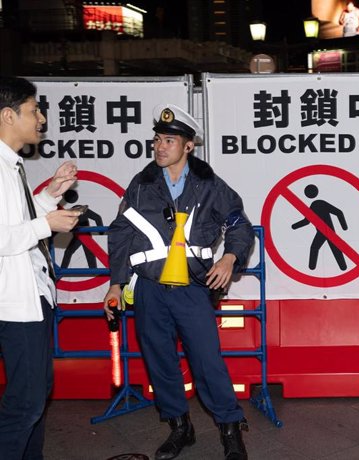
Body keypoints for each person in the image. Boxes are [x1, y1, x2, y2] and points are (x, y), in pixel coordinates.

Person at [104, 104, 254, 460]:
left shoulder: (209, 185)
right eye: (157, 139)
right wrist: (115, 282)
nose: (159, 146)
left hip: (191, 289)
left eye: (169, 140)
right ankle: (179, 428)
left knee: (207, 360)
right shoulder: (141, 185)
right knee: (160, 362)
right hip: (150, 289)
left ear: (188, 146)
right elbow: (122, 233)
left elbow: (239, 225)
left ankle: (230, 429)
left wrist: (231, 257)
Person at [0, 76, 80, 459]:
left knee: (35, 397)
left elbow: (18, 221)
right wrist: (46, 224)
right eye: (33, 110)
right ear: (8, 115)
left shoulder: (11, 165)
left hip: (31, 299)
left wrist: (50, 195)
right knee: (25, 405)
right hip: (14, 306)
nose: (42, 118)